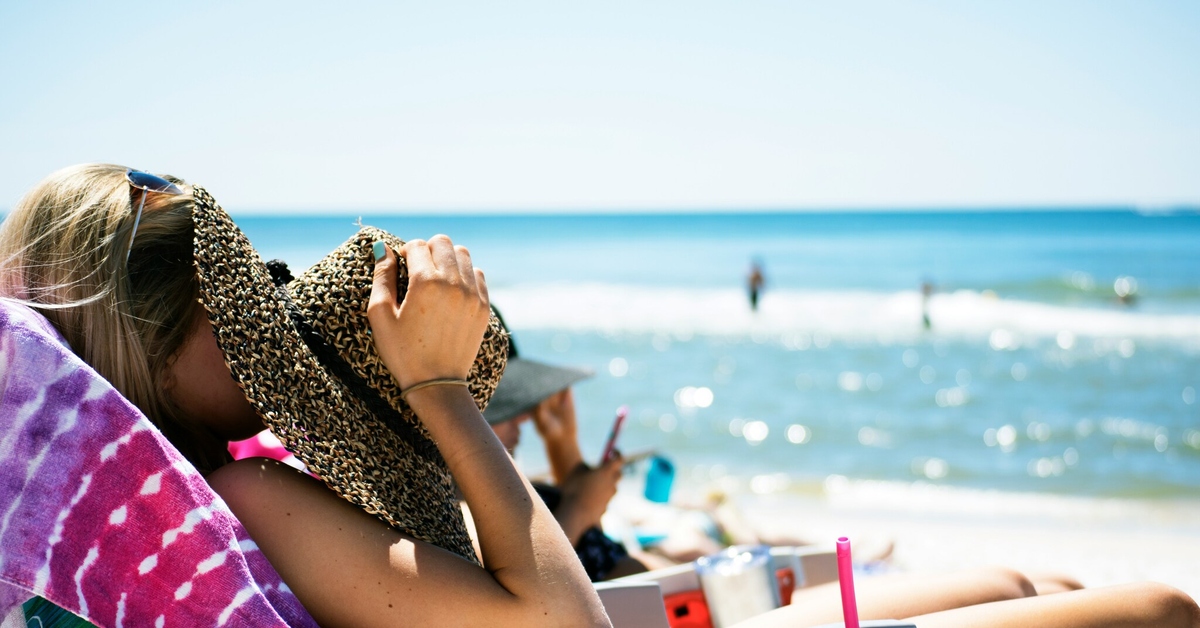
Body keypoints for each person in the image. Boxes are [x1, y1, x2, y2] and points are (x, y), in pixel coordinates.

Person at [0, 164, 609, 627]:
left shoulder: (98, 531)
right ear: (151, 352)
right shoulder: (242, 499)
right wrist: (441, 391)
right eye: (234, 311)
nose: (269, 325)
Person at [476, 318, 1200, 626]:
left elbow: (568, 520)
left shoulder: (505, 487)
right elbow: (556, 569)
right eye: (509, 402)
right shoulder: (477, 504)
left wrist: (563, 442)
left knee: (1062, 589)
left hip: (684, 600)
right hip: (684, 608)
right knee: (1084, 596)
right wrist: (569, 495)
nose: (521, 416)